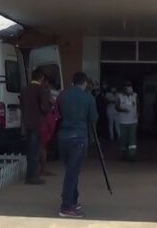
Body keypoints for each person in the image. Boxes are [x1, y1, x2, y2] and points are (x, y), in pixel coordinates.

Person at [57, 72, 98, 218]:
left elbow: (57, 114)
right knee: (73, 172)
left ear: (72, 82)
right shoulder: (88, 97)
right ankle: (66, 206)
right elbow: (93, 118)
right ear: (85, 83)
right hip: (79, 137)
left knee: (70, 170)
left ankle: (72, 200)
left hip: (63, 137)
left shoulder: (63, 95)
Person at [21, 69, 51, 184]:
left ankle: (29, 175)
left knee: (30, 150)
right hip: (37, 122)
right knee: (35, 150)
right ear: (41, 78)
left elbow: (22, 106)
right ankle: (33, 176)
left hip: (27, 122)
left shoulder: (25, 89)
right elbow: (44, 107)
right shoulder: (40, 89)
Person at [116, 82, 138, 161]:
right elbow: (116, 107)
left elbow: (138, 105)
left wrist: (138, 114)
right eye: (127, 87)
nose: (129, 88)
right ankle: (124, 155)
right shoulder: (119, 96)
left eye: (130, 86)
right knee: (123, 139)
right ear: (124, 88)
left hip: (133, 121)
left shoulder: (135, 95)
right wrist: (122, 110)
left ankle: (132, 155)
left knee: (132, 139)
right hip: (123, 121)